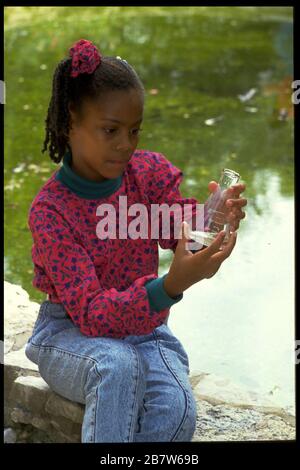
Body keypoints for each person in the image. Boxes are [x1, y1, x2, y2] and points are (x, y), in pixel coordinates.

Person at [25, 39, 247, 443]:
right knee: (117, 366)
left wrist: (211, 220)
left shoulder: (145, 173)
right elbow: (91, 314)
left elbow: (176, 223)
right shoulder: (51, 211)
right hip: (68, 335)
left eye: (134, 130)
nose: (126, 144)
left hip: (146, 332)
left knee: (175, 411)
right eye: (110, 130)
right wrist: (170, 286)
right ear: (69, 122)